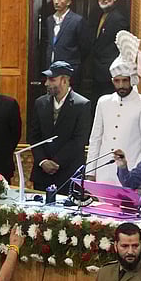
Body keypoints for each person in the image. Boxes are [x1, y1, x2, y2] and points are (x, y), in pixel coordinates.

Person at [87, 31, 141, 186]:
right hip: (103, 171)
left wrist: (137, 175)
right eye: (117, 81)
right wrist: (91, 171)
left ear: (131, 80)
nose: (121, 85)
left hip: (130, 173)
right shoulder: (104, 102)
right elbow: (95, 139)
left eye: (125, 81)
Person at [29, 61, 91, 191]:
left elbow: (79, 140)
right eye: (47, 80)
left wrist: (57, 162)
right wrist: (42, 161)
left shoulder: (82, 105)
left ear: (64, 80)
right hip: (42, 175)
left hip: (68, 175)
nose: (46, 83)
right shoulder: (40, 103)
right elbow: (34, 136)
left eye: (52, 80)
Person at [82, 0, 130, 100]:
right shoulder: (100, 15)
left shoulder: (118, 19)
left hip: (109, 74)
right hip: (97, 72)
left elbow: (119, 48)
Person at [45, 0, 85, 73]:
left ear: (69, 2)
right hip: (51, 67)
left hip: (69, 67)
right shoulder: (50, 20)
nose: (56, 2)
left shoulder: (77, 20)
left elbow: (84, 47)